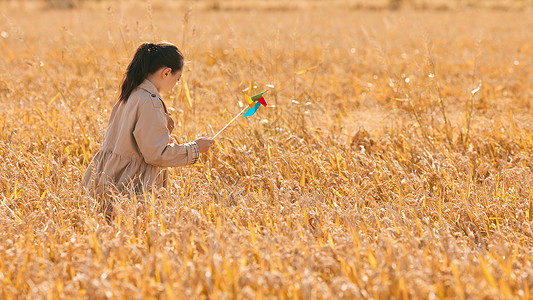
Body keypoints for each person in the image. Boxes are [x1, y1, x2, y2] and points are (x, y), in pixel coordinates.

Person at [82, 42, 214, 203]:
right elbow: (156, 155)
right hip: (130, 187)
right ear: (166, 73)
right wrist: (195, 148)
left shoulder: (131, 93)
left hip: (108, 179)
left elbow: (134, 143)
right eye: (177, 79)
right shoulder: (150, 102)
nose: (175, 85)